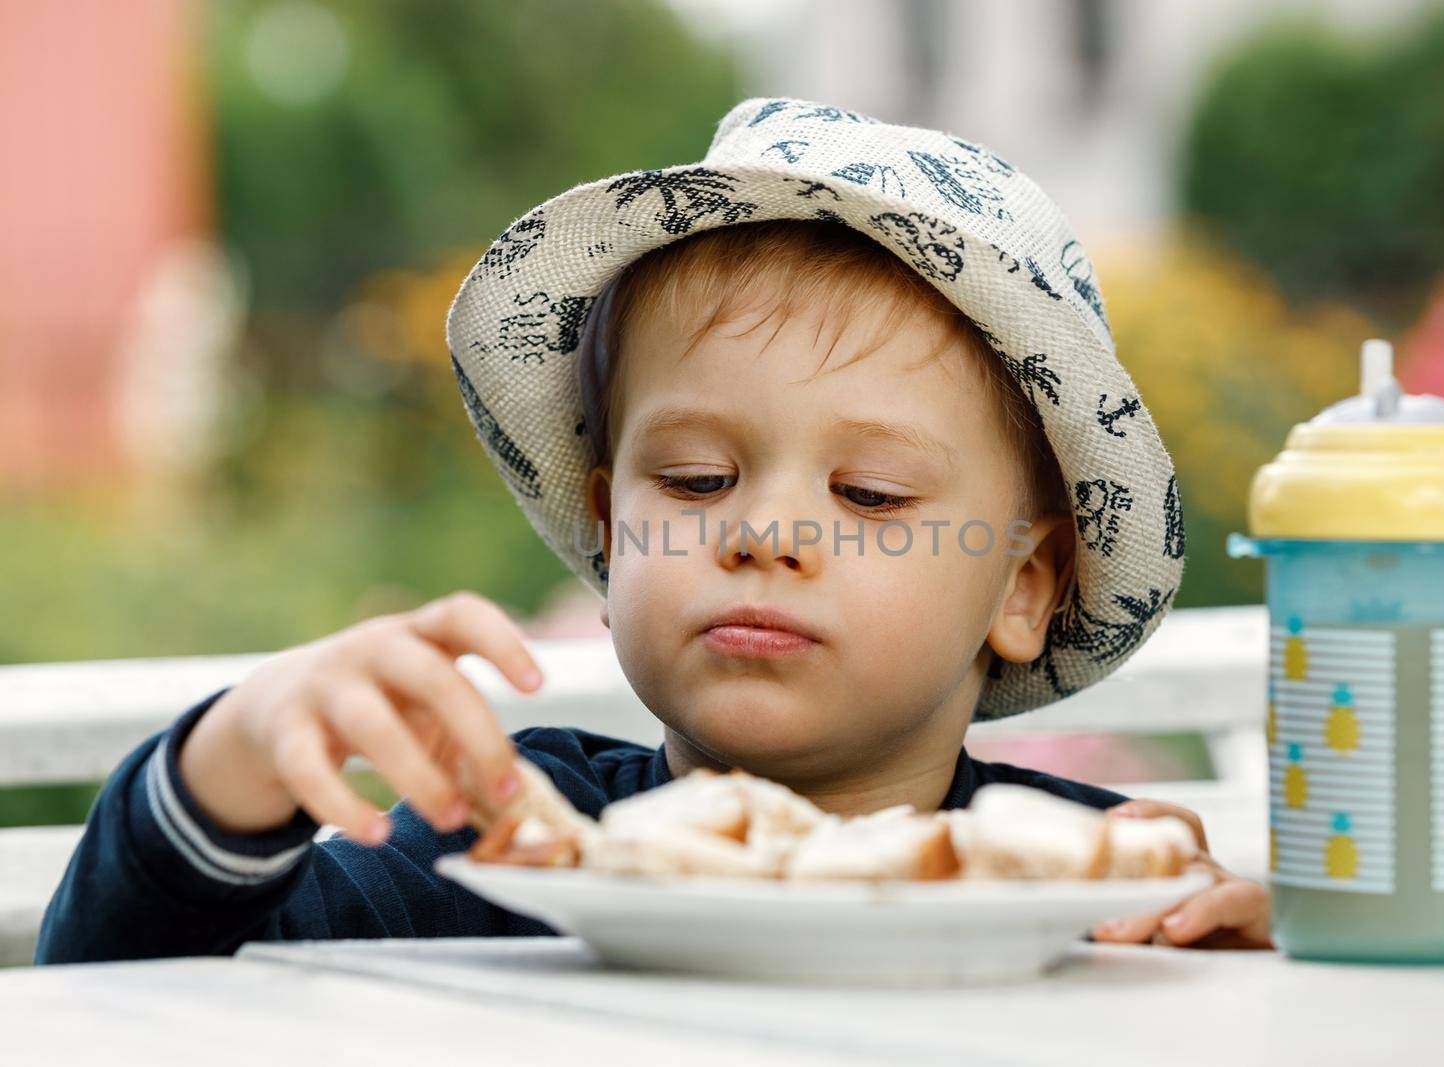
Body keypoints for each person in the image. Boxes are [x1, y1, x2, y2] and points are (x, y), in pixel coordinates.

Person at [35, 97, 1269, 965]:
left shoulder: (1070, 885)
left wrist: (1248, 960)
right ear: (611, 523)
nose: (764, 533)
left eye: (871, 495)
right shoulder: (501, 854)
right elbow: (133, 981)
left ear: (1023, 584)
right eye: (691, 477)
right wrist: (228, 765)